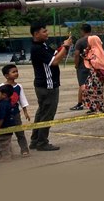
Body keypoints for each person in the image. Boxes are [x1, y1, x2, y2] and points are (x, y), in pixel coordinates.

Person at [29, 22, 71, 151]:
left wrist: (65, 47)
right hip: (48, 86)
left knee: (41, 112)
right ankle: (42, 142)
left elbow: (56, 54)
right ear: (36, 34)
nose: (47, 33)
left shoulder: (43, 45)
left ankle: (35, 140)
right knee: (47, 114)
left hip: (44, 85)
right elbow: (55, 61)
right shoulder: (37, 48)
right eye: (44, 31)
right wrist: (65, 47)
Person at [0, 64, 31, 157]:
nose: (16, 73)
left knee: (20, 132)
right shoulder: (1, 87)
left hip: (15, 114)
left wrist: (25, 112)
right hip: (3, 115)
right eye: (13, 72)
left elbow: (22, 99)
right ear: (6, 75)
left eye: (17, 71)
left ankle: (24, 149)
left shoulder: (19, 87)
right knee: (1, 133)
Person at [83, 35, 104, 114]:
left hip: (96, 74)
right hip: (94, 73)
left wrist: (89, 59)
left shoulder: (96, 51)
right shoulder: (94, 50)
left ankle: (97, 108)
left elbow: (96, 63)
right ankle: (95, 107)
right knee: (92, 90)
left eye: (89, 42)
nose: (87, 43)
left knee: (95, 90)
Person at [70, 24, 92, 111]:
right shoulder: (94, 40)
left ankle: (80, 103)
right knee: (92, 84)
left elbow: (76, 55)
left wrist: (76, 65)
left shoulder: (80, 41)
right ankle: (92, 102)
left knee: (82, 85)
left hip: (83, 66)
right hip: (93, 65)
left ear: (82, 31)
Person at [0, 84, 15, 162]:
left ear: (4, 95)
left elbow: (2, 117)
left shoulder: (3, 105)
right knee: (8, 142)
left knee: (3, 142)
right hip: (10, 125)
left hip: (4, 126)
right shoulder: (9, 102)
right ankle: (10, 154)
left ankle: (6, 157)